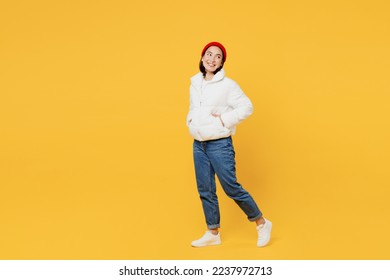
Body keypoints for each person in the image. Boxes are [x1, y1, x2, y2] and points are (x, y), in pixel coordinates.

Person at [186, 42, 272, 247]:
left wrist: (224, 120)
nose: (212, 59)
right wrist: (190, 122)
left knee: (231, 187)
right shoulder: (195, 83)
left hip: (219, 144)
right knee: (205, 189)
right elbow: (193, 108)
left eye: (217, 56)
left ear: (222, 62)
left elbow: (247, 107)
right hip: (199, 144)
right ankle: (212, 232)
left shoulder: (228, 85)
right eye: (209, 54)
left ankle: (261, 222)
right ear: (202, 57)